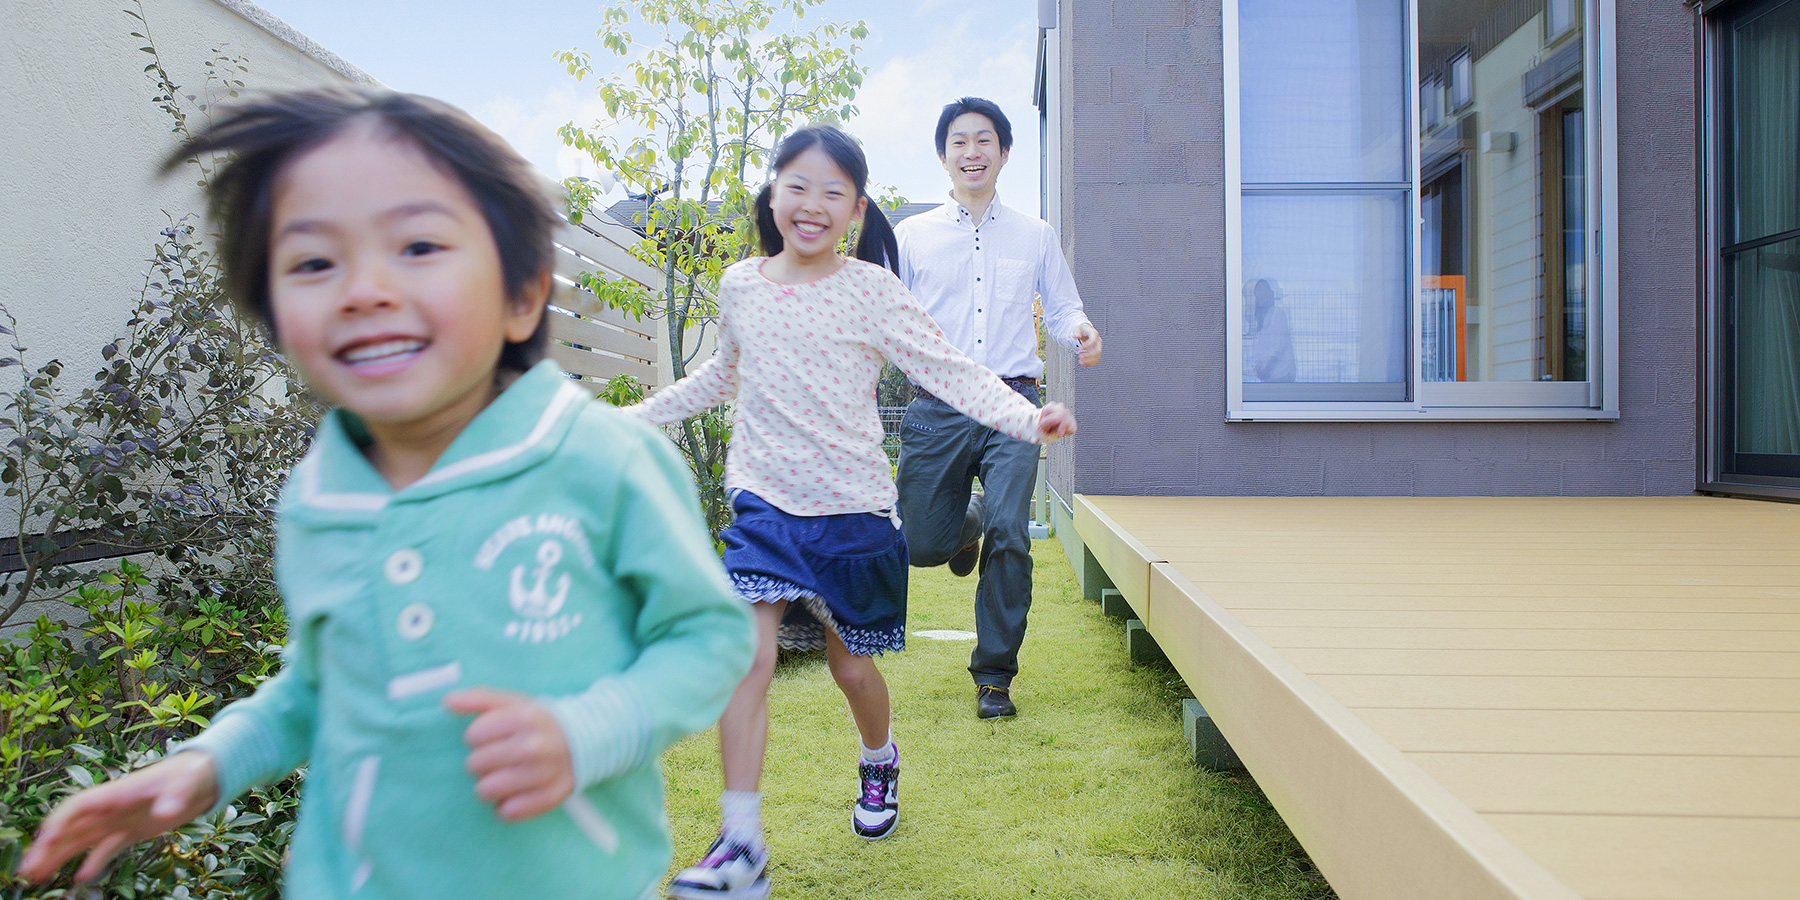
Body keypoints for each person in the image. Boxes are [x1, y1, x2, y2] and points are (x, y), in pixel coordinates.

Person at [17, 88, 755, 900]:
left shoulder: (604, 462)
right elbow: (318, 685)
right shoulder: (317, 499)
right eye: (313, 263)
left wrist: (586, 732)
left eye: (417, 246)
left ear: (522, 295)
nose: (362, 288)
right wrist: (207, 765)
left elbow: (709, 638)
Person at [627, 125, 1075, 900]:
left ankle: (879, 760)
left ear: (857, 210)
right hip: (763, 505)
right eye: (798, 185)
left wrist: (1023, 418)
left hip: (852, 513)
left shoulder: (873, 292)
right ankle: (741, 843)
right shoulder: (740, 286)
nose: (813, 204)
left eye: (834, 191)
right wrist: (637, 419)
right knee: (748, 658)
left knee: (849, 666)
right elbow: (718, 377)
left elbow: (950, 370)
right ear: (773, 195)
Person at [893, 97, 1102, 720]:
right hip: (939, 403)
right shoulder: (912, 236)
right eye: (960, 142)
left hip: (1014, 402)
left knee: (1014, 533)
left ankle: (994, 677)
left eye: (984, 141)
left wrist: (1084, 332)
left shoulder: (1034, 235)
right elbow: (884, 314)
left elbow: (1062, 310)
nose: (972, 152)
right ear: (943, 156)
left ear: (1004, 153)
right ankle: (969, 518)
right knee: (921, 545)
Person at [1245, 278, 1297, 383]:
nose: (1260, 294)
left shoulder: (1278, 313)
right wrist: (1258, 367)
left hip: (1281, 375)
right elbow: (1262, 350)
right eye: (1257, 291)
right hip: (1269, 377)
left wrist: (1265, 368)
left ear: (1270, 294)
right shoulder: (1263, 320)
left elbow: (1279, 346)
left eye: (1262, 290)